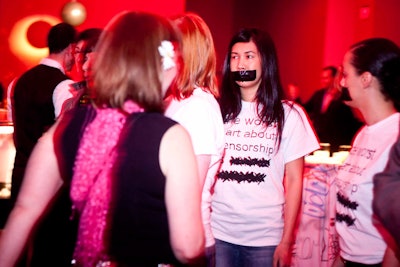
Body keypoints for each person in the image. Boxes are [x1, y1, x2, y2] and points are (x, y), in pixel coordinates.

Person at [0, 11, 205, 267]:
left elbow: (24, 211)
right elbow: (188, 246)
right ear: (164, 63)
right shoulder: (171, 137)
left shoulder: (69, 123)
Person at [211, 28, 320, 267]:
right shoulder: (216, 111)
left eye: (249, 56)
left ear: (266, 62)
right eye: (235, 56)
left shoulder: (289, 115)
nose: (241, 63)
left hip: (265, 237)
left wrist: (286, 240)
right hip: (219, 232)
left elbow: (294, 181)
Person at [7, 22, 77, 266]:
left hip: (19, 172)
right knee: (49, 250)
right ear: (70, 49)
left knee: (19, 245)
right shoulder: (64, 86)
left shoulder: (17, 82)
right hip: (49, 182)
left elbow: (15, 126)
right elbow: (65, 140)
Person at [333, 37, 400, 267]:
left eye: (346, 74)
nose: (342, 83)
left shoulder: (395, 136)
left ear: (365, 79)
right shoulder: (363, 133)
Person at [165, 12, 225, 266]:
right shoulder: (177, 102)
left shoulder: (199, 107)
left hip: (186, 242)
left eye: (170, 46)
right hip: (171, 238)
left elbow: (190, 191)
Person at [305, 66, 362, 153]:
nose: (323, 81)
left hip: (337, 142)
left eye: (326, 78)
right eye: (322, 78)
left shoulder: (342, 96)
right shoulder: (318, 94)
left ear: (334, 78)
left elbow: (351, 120)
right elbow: (306, 109)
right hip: (320, 141)